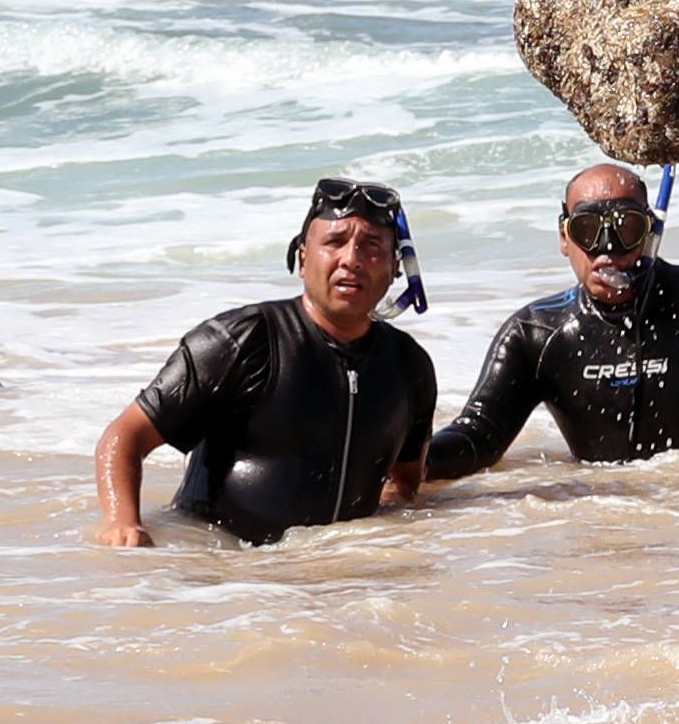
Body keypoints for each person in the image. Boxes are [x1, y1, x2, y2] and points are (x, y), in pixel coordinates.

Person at [425, 162, 679, 482]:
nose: (607, 250)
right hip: (609, 525)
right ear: (564, 238)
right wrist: (410, 460)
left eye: (626, 228)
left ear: (650, 234)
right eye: (587, 229)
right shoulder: (536, 335)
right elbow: (479, 435)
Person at [93, 178, 436, 547]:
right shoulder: (242, 340)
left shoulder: (407, 365)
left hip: (341, 574)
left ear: (394, 267)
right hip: (224, 574)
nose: (351, 259)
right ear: (303, 258)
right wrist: (122, 525)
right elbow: (126, 436)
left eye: (371, 247)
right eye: (334, 243)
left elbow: (402, 481)